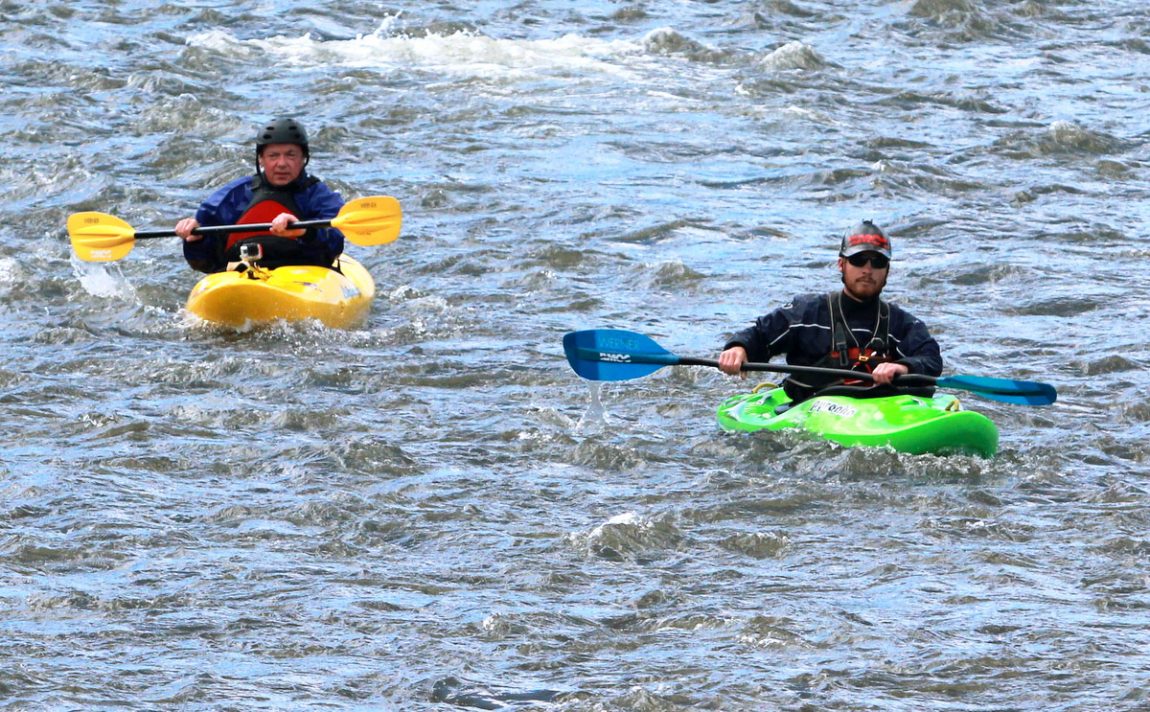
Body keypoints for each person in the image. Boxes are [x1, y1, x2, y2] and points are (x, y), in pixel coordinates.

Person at [718, 220, 942, 403]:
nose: (867, 269)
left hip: (880, 408)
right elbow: (760, 335)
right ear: (841, 264)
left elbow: (931, 359)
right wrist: (739, 348)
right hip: (813, 405)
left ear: (887, 270)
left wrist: (902, 366)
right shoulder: (806, 314)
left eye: (878, 262)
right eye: (858, 260)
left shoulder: (903, 324)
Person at [175, 117, 345, 273]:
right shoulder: (234, 195)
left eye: (291, 155)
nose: (282, 164)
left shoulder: (320, 197)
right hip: (242, 274)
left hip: (304, 273)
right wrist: (195, 238)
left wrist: (305, 231)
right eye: (273, 156)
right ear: (261, 159)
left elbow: (335, 242)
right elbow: (203, 262)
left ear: (303, 158)